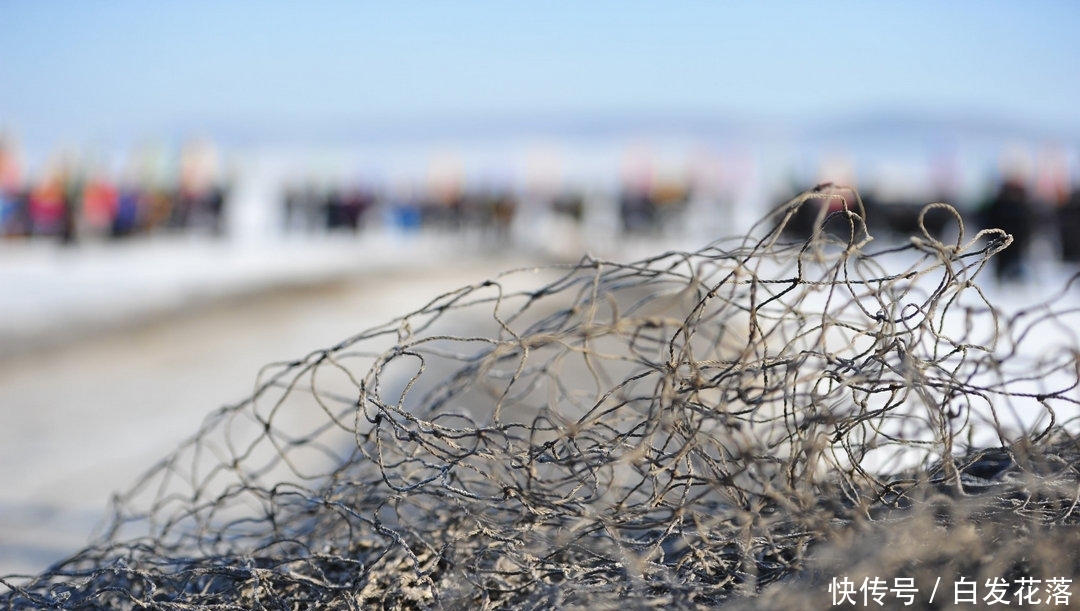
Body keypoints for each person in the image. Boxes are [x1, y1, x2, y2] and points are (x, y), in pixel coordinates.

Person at [981, 178, 1034, 283]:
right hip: (1000, 245)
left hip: (1016, 246)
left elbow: (1028, 225)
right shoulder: (997, 205)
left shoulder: (1023, 206)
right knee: (1000, 274)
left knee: (1016, 275)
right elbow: (988, 223)